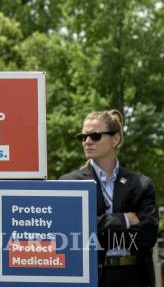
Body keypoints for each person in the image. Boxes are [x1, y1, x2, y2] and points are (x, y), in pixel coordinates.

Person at [60, 109, 159, 287]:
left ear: (116, 139)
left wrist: (95, 232)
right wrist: (123, 220)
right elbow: (70, 234)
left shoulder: (141, 184)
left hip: (133, 278)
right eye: (83, 137)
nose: (87, 141)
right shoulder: (69, 182)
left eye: (95, 136)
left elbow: (148, 236)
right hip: (89, 278)